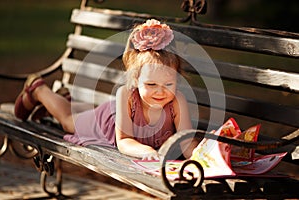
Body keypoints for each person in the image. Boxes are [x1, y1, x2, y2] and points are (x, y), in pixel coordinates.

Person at [14, 19, 198, 160]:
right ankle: (39, 90)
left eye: (168, 84)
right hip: (106, 123)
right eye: (151, 85)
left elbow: (185, 141)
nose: (160, 92)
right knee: (68, 122)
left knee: (79, 114)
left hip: (112, 117)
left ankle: (65, 100)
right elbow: (124, 141)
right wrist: (147, 151)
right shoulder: (126, 95)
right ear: (135, 79)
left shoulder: (176, 100)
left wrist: (202, 157)